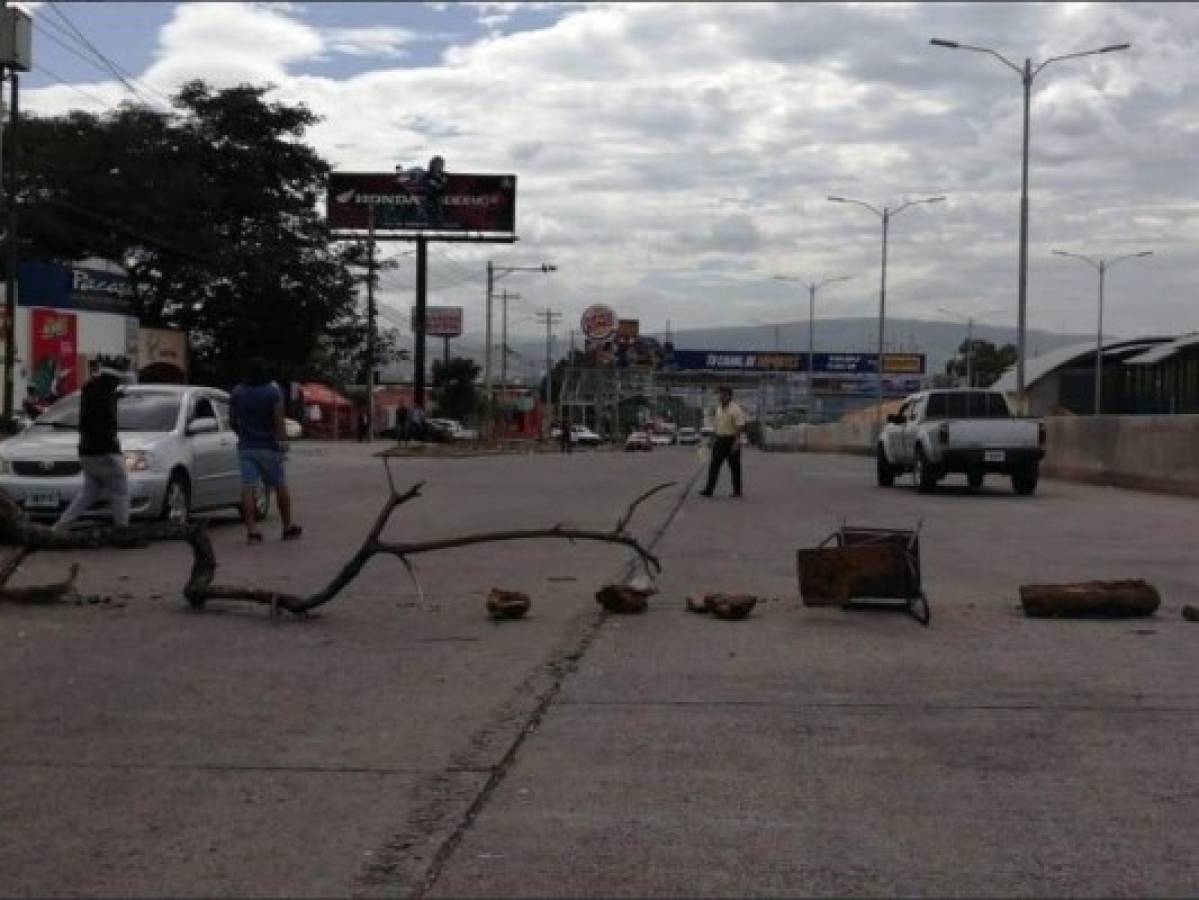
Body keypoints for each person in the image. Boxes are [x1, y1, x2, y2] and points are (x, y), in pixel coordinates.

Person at [229, 357, 302, 544]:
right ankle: (287, 528)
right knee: (279, 485)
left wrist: (243, 434)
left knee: (248, 487)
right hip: (268, 447)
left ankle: (252, 531)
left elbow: (232, 421)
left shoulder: (237, 392)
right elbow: (278, 419)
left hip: (246, 447)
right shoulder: (272, 392)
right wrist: (284, 441)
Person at [55, 358, 131, 529]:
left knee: (89, 492)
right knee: (120, 490)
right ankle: (122, 530)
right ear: (114, 378)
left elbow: (97, 407)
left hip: (86, 451)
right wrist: (113, 448)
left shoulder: (90, 391)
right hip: (105, 451)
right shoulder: (106, 394)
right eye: (119, 379)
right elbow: (105, 422)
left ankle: (61, 526)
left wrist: (117, 396)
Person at [699, 386, 746, 498]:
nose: (721, 397)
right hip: (720, 440)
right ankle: (708, 490)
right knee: (714, 465)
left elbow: (740, 426)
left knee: (735, 467)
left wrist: (736, 443)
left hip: (732, 440)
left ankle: (737, 491)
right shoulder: (718, 408)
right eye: (720, 394)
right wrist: (712, 440)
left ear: (730, 396)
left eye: (724, 395)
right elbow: (716, 425)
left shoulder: (735, 409)